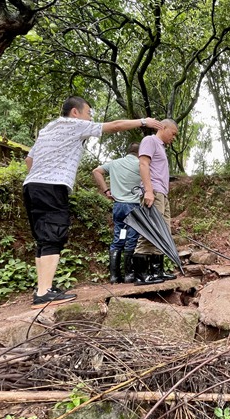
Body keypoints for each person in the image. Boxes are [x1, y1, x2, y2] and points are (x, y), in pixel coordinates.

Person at [23, 96, 164, 309]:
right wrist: (143, 121)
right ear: (75, 112)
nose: (90, 118)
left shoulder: (48, 129)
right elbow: (115, 126)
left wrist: (40, 177)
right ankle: (44, 293)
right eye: (88, 113)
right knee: (54, 235)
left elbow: (29, 160)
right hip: (53, 186)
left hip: (32, 186)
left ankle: (44, 287)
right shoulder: (73, 125)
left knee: (44, 238)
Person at [133, 118, 179, 285]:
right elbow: (143, 164)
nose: (173, 138)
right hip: (154, 192)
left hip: (162, 194)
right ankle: (141, 274)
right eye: (173, 133)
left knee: (162, 232)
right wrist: (149, 191)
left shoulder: (161, 147)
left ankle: (156, 271)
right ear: (163, 127)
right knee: (150, 230)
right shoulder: (150, 140)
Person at [92, 142, 141, 284]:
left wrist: (106, 190)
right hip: (133, 206)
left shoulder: (114, 163)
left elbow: (96, 171)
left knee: (119, 236)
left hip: (118, 206)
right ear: (139, 153)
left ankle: (114, 276)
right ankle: (129, 275)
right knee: (132, 238)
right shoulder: (141, 164)